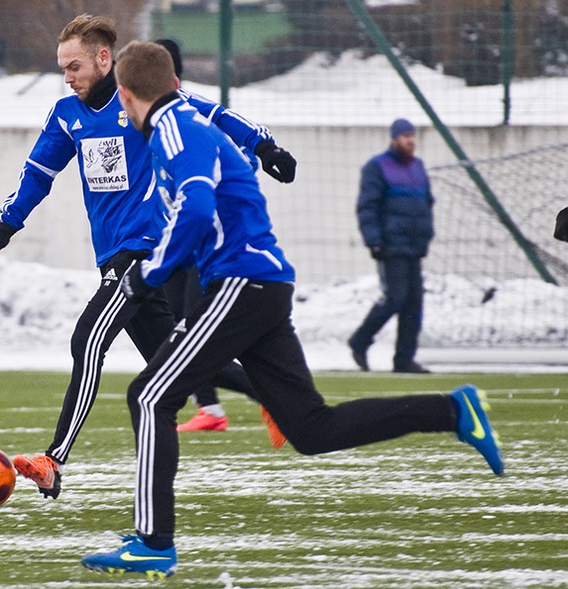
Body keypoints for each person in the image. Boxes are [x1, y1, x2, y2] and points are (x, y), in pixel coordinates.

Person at [79, 41, 504, 579]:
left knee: (149, 394)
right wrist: (263, 150)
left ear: (125, 93)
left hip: (240, 282)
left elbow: (195, 206)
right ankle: (451, 411)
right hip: (261, 284)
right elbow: (218, 160)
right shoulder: (187, 116)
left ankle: (153, 542)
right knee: (311, 429)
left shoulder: (172, 129)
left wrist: (147, 275)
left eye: (119, 102)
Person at [0, 15, 294, 498]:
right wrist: (5, 224)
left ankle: (53, 459)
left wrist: (264, 144)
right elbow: (38, 172)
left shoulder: (137, 100)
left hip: (144, 250)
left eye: (74, 66)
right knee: (178, 358)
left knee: (88, 339)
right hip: (112, 255)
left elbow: (212, 113)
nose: (67, 76)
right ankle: (272, 395)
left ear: (105, 59)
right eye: (63, 68)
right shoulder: (67, 115)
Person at [155, 38, 292, 439]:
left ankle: (268, 395)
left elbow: (232, 120)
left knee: (194, 336)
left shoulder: (184, 107)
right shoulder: (137, 112)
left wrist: (265, 148)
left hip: (206, 238)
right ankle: (211, 408)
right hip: (173, 236)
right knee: (178, 331)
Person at [347, 118, 433, 374]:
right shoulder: (377, 167)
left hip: (414, 246)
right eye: (405, 136)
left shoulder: (417, 167)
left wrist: (426, 236)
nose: (410, 141)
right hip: (390, 245)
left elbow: (426, 203)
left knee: (414, 303)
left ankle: (404, 360)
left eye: (413, 136)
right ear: (394, 139)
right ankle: (360, 341)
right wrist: (373, 240)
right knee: (394, 299)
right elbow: (367, 206)